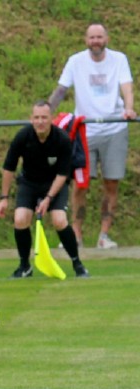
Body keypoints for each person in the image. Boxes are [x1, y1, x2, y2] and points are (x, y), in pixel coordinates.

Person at [49, 23, 136, 249]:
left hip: (114, 129)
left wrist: (129, 107)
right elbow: (61, 89)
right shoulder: (76, 61)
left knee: (111, 184)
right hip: (84, 131)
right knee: (80, 185)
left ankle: (103, 236)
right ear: (86, 40)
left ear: (106, 38)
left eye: (99, 37)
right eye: (92, 37)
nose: (96, 41)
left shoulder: (119, 59)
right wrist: (46, 112)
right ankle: (76, 235)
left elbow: (127, 87)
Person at [0, 100, 89, 278]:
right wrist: (4, 197)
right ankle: (25, 266)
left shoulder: (61, 139)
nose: (40, 121)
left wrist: (48, 198)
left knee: (59, 220)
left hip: (55, 184)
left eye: (44, 118)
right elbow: (9, 167)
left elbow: (63, 174)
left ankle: (78, 264)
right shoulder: (23, 137)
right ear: (31, 119)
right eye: (37, 117)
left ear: (51, 119)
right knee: (20, 218)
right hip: (29, 184)